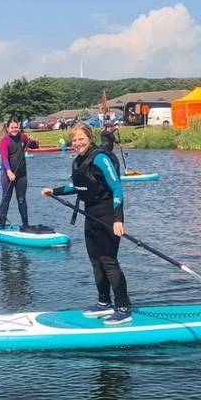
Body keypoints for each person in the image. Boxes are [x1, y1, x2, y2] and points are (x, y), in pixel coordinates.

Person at [41, 122, 131, 325]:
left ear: (89, 138)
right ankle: (104, 303)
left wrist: (118, 219)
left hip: (108, 216)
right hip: (90, 215)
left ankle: (123, 307)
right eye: (74, 140)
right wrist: (54, 190)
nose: (77, 143)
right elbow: (76, 186)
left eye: (81, 139)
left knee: (109, 262)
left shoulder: (100, 158)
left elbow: (117, 188)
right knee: (95, 261)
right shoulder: (79, 161)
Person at [0, 117, 36, 230]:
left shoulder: (23, 137)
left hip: (21, 175)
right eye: (12, 127)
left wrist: (33, 141)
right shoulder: (4, 140)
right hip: (7, 175)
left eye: (16, 127)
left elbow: (34, 146)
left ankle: (26, 225)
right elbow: (4, 158)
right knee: (6, 199)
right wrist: (9, 171)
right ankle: (1, 225)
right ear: (8, 128)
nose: (15, 129)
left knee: (21, 199)